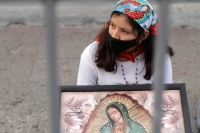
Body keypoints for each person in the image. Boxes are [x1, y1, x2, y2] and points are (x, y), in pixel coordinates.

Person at [77, 0, 174, 85]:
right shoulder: (92, 53)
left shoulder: (160, 56)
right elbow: (84, 97)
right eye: (112, 25)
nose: (114, 35)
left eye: (124, 31)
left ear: (143, 36)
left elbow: (166, 96)